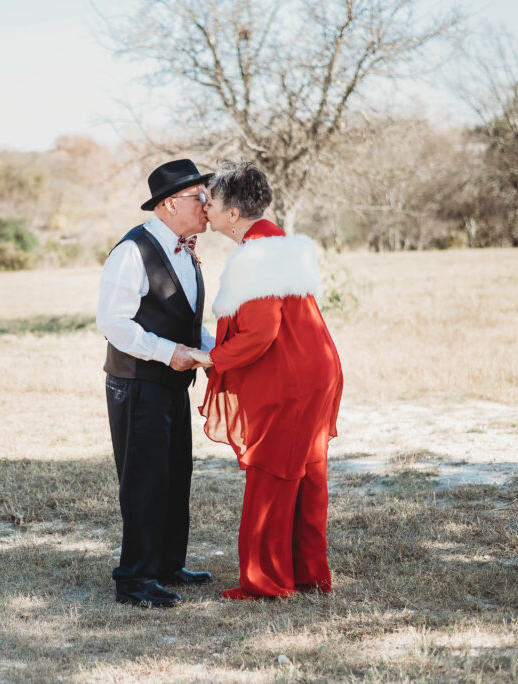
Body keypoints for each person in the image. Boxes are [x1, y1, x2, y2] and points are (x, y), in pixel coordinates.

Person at [198, 160, 343, 601]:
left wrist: (210, 358)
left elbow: (261, 332)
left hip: (292, 378)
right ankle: (307, 572)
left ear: (233, 215)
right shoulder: (278, 241)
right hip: (316, 369)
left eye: (211, 201)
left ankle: (266, 581)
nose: (204, 208)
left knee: (273, 474)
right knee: (307, 473)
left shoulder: (256, 256)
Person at [97, 159, 217, 608]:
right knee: (145, 480)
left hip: (170, 383)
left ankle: (167, 565)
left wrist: (216, 348)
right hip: (137, 383)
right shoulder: (133, 250)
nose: (208, 205)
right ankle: (134, 580)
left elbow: (185, 321)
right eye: (199, 198)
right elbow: (113, 322)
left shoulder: (186, 249)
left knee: (174, 474)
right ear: (169, 204)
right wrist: (172, 354)